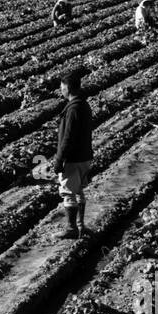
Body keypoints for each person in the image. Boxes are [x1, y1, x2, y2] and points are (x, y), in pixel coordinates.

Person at [52, 68, 93, 238]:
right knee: (79, 190)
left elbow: (68, 137)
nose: (61, 90)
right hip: (85, 155)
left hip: (74, 158)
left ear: (68, 88)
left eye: (62, 87)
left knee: (68, 191)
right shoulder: (83, 105)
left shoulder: (73, 109)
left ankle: (71, 229)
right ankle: (80, 225)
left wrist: (59, 159)